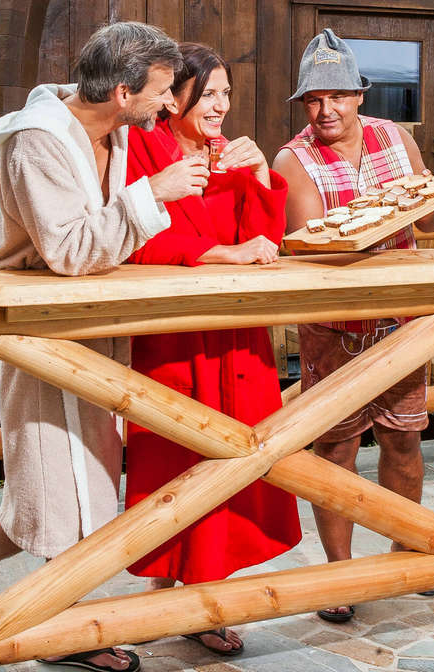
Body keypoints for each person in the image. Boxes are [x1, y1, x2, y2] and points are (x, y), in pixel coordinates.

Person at [0, 21, 208, 672]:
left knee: (69, 485)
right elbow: (67, 251)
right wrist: (154, 196)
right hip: (41, 336)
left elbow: (106, 233)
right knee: (60, 489)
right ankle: (66, 637)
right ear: (122, 92)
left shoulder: (112, 132)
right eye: (161, 92)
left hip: (90, 335)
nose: (171, 105)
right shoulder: (39, 143)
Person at [122, 43, 302, 656]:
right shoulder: (145, 148)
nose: (221, 105)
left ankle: (205, 593)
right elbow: (135, 236)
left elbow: (267, 239)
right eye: (210, 93)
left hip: (238, 334)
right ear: (174, 97)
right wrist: (219, 254)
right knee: (177, 458)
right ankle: (184, 592)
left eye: (227, 93)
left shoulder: (227, 151)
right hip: (178, 332)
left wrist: (257, 177)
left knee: (243, 458)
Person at [271, 29, 434, 625]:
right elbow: (313, 248)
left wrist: (421, 198)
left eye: (338, 97)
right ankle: (340, 574)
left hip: (401, 320)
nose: (326, 111)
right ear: (303, 106)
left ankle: (410, 548)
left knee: (404, 437)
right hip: (335, 328)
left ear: (359, 96)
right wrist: (386, 216)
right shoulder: (291, 159)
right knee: (336, 447)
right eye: (314, 101)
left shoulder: (397, 138)